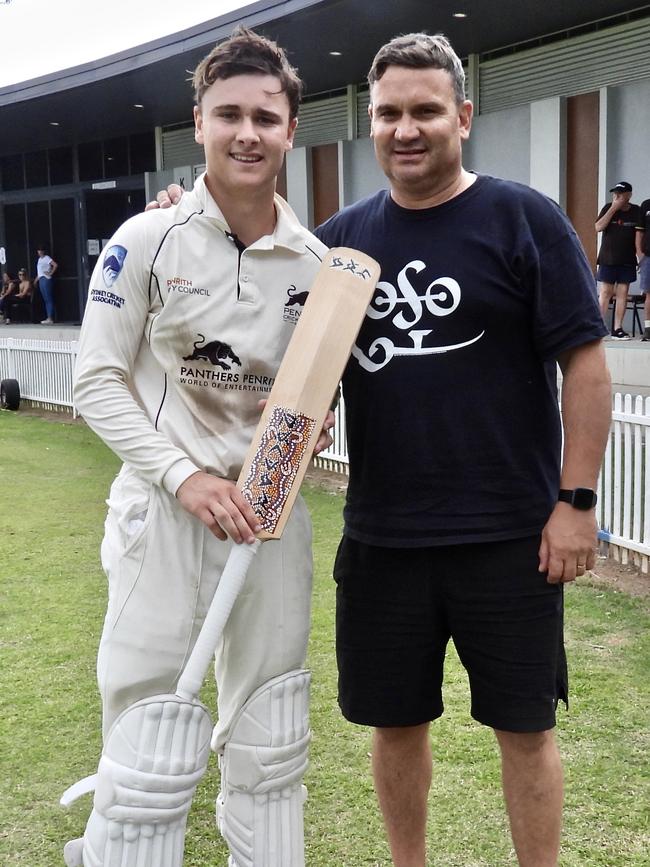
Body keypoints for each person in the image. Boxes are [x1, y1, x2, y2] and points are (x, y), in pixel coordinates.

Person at [152, 32, 612, 867]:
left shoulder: (523, 218)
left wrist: (576, 503)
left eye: (426, 111)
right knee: (396, 724)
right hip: (385, 538)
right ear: (372, 122)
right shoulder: (340, 244)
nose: (407, 128)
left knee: (525, 726)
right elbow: (248, 316)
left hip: (508, 535)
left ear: (463, 117)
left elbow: (585, 364)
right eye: (390, 112)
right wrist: (174, 226)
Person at [67, 26, 330, 867]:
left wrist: (323, 427)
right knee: (150, 729)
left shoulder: (319, 264)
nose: (247, 132)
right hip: (167, 510)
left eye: (265, 116)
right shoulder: (146, 240)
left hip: (269, 520)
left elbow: (320, 399)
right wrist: (182, 479)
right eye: (229, 115)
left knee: (271, 725)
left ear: (292, 129)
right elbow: (96, 382)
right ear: (199, 122)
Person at [595, 181, 642, 339]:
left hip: (627, 258)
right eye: (615, 193)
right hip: (608, 258)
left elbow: (640, 234)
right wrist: (614, 208)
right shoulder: (608, 207)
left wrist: (640, 256)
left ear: (628, 195)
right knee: (606, 292)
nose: (617, 196)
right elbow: (598, 227)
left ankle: (617, 329)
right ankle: (599, 328)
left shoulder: (636, 211)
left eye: (620, 193)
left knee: (622, 293)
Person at [635, 195, 650, 341]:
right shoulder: (646, 205)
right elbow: (639, 232)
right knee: (649, 294)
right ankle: (648, 329)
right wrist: (641, 256)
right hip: (648, 256)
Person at [35, 244, 58, 324]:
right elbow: (39, 272)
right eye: (39, 250)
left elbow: (55, 265)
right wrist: (35, 280)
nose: (40, 252)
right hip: (41, 278)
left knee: (48, 298)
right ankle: (48, 316)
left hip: (46, 278)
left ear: (44, 251)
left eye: (41, 250)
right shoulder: (39, 260)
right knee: (45, 299)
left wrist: (51, 273)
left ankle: (50, 317)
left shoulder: (46, 258)